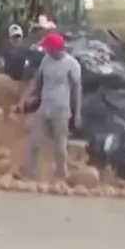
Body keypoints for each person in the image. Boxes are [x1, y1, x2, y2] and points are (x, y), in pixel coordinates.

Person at [20, 32, 82, 182]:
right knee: (34, 141)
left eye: (48, 48)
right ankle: (30, 173)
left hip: (61, 110)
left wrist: (77, 112)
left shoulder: (71, 65)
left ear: (57, 48)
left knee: (60, 147)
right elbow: (37, 81)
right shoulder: (46, 61)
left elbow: (77, 89)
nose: (46, 51)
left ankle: (61, 175)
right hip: (44, 108)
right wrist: (26, 97)